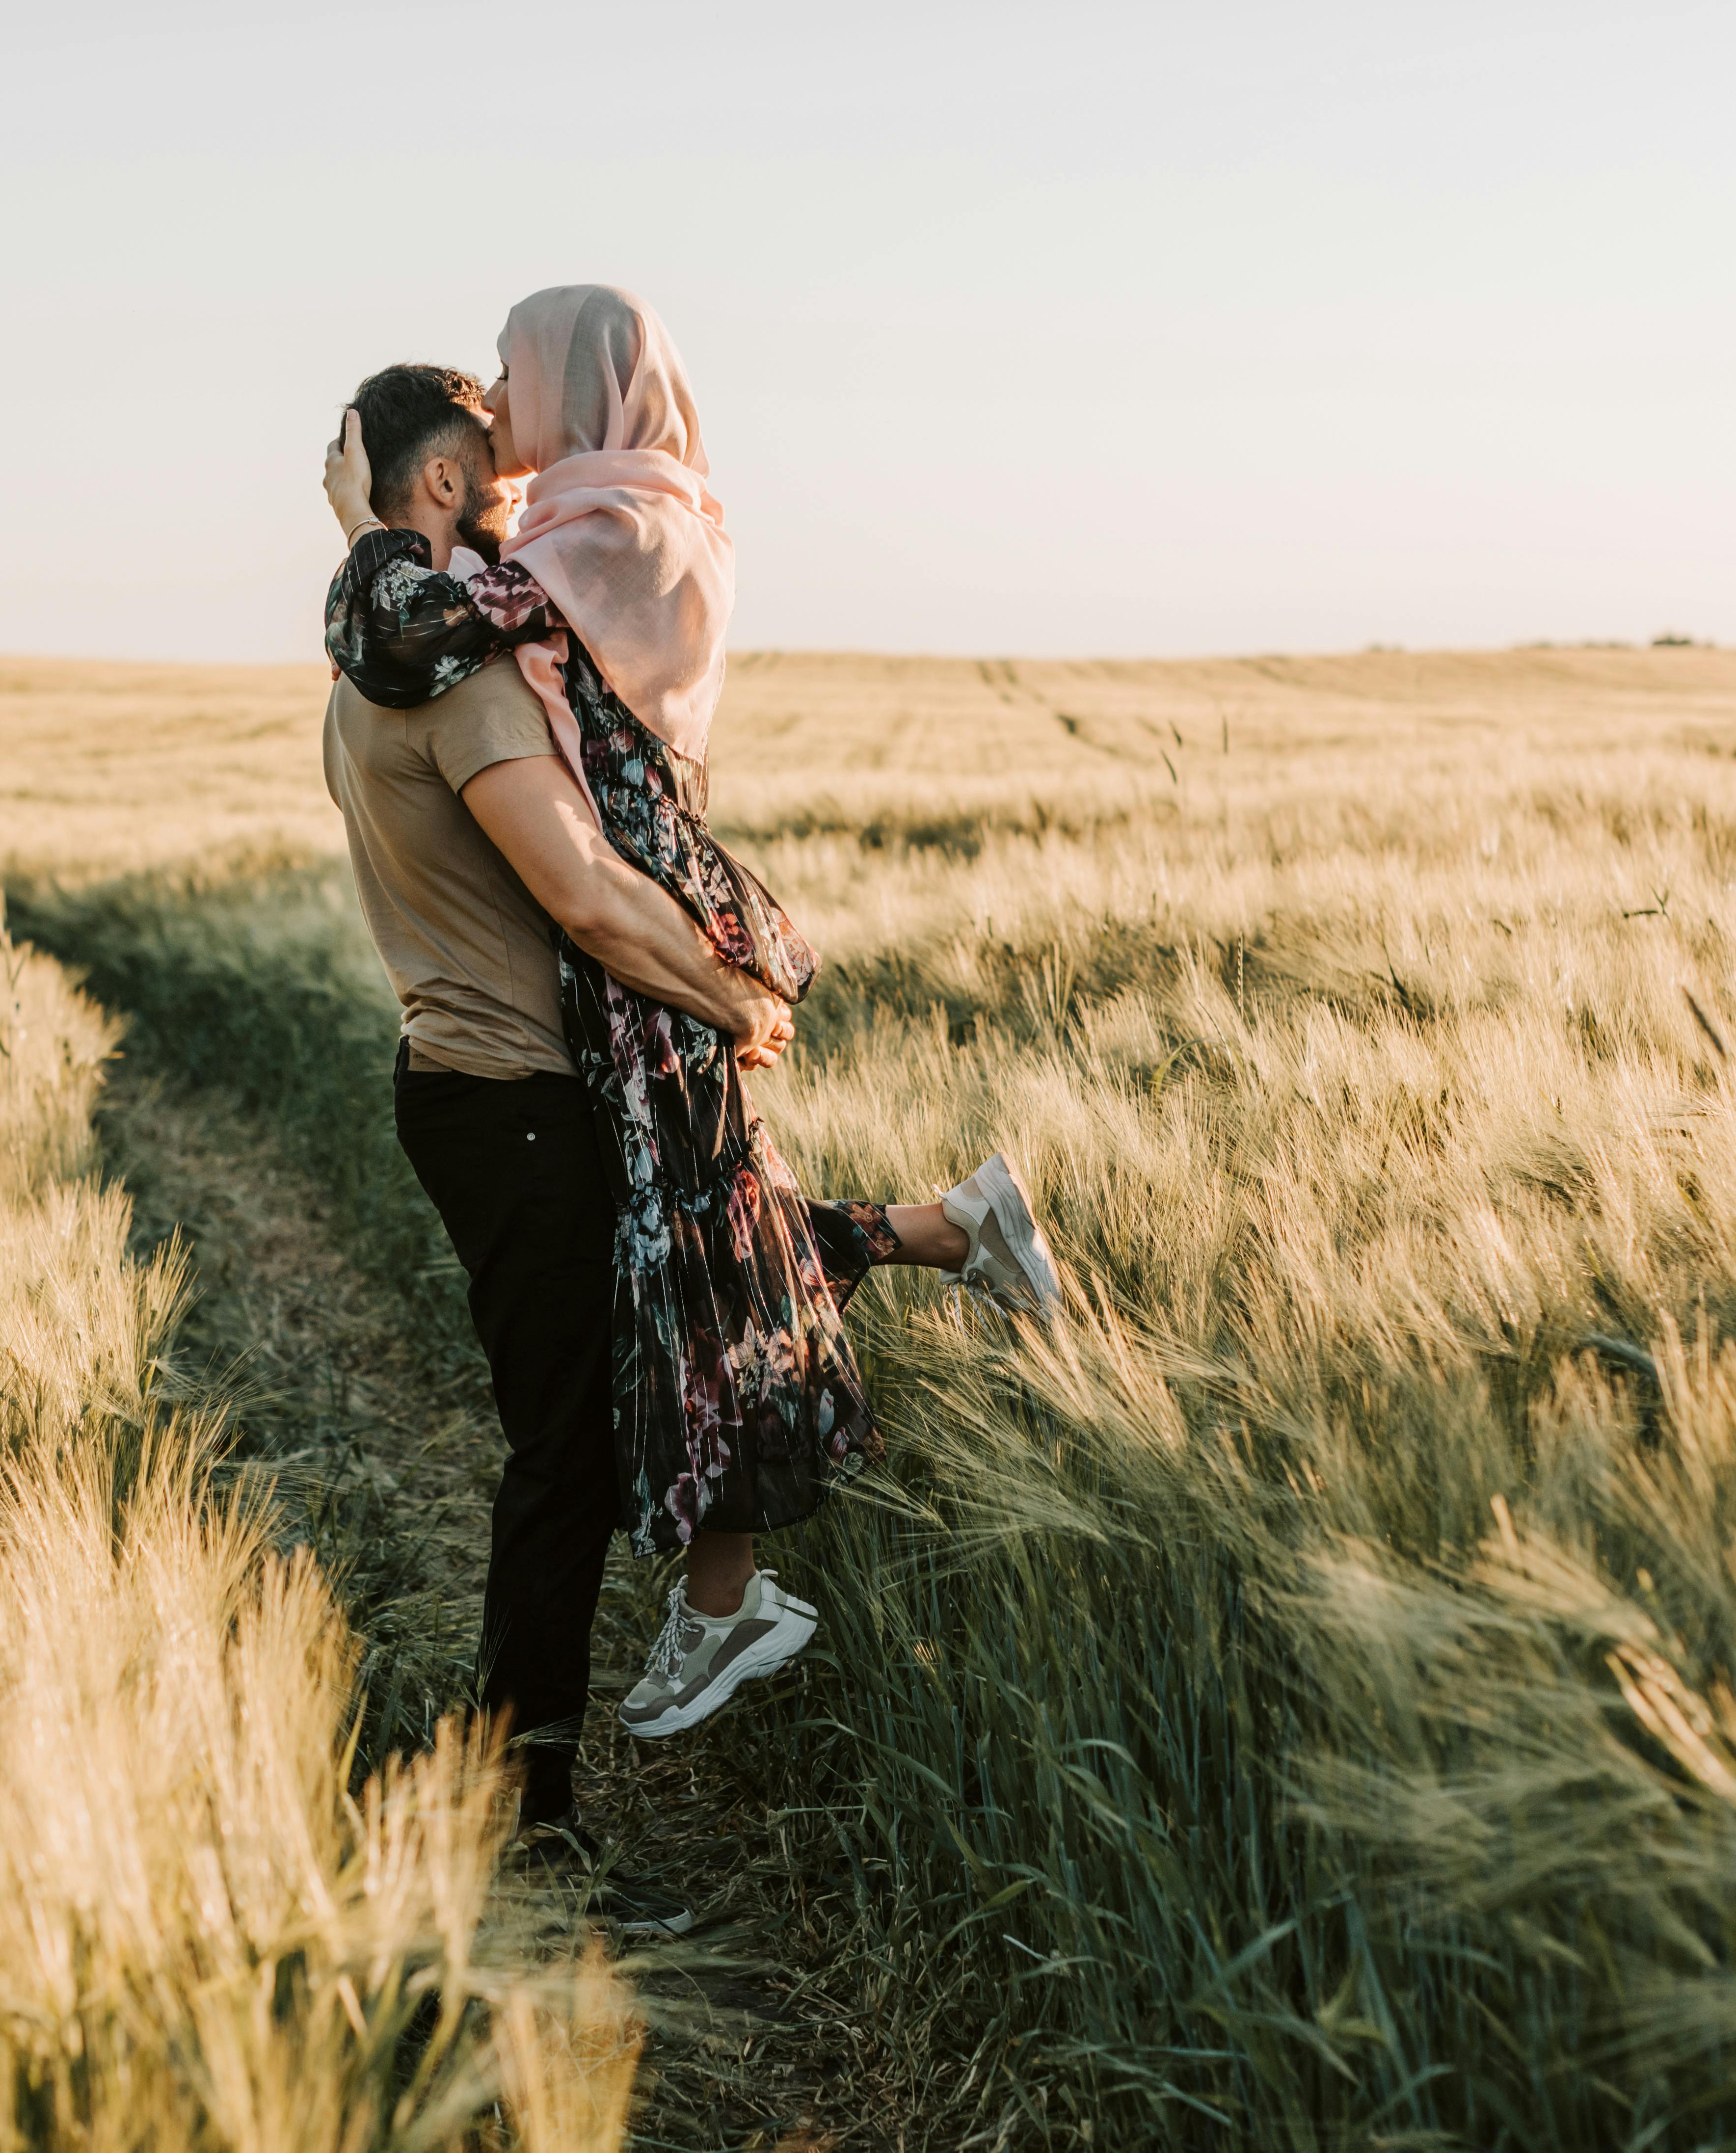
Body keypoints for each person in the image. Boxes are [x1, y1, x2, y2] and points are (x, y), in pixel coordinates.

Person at [316, 301, 1061, 1865]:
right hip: (510, 1094)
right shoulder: (455, 671)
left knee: (692, 1262)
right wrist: (726, 989)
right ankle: (525, 1811)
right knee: (568, 1448)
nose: (527, 502)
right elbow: (583, 892)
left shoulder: (431, 648)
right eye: (495, 484)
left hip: (504, 1083)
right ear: (444, 484)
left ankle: (944, 1232)